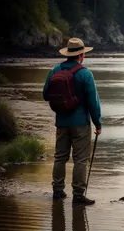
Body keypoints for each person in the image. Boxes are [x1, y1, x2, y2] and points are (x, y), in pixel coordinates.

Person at [43, 38, 102, 205]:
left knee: (60, 157)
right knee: (80, 160)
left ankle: (57, 191)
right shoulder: (85, 74)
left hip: (61, 122)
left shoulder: (55, 70)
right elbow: (93, 102)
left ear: (68, 53)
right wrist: (97, 124)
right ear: (81, 55)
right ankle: (78, 195)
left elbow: (46, 95)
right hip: (81, 124)